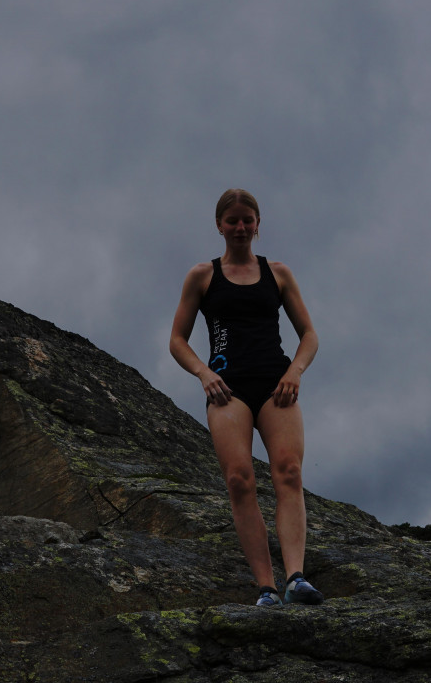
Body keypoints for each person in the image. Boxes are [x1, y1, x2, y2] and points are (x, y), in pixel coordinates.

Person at [169, 188, 323, 608]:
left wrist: (294, 371)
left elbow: (309, 335)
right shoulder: (203, 276)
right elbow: (177, 340)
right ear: (219, 225)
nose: (240, 227)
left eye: (247, 220)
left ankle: (295, 578)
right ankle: (266, 589)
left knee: (289, 471)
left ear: (258, 224)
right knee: (239, 480)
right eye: (232, 220)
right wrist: (203, 373)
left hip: (276, 386)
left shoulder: (278, 273)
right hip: (227, 390)